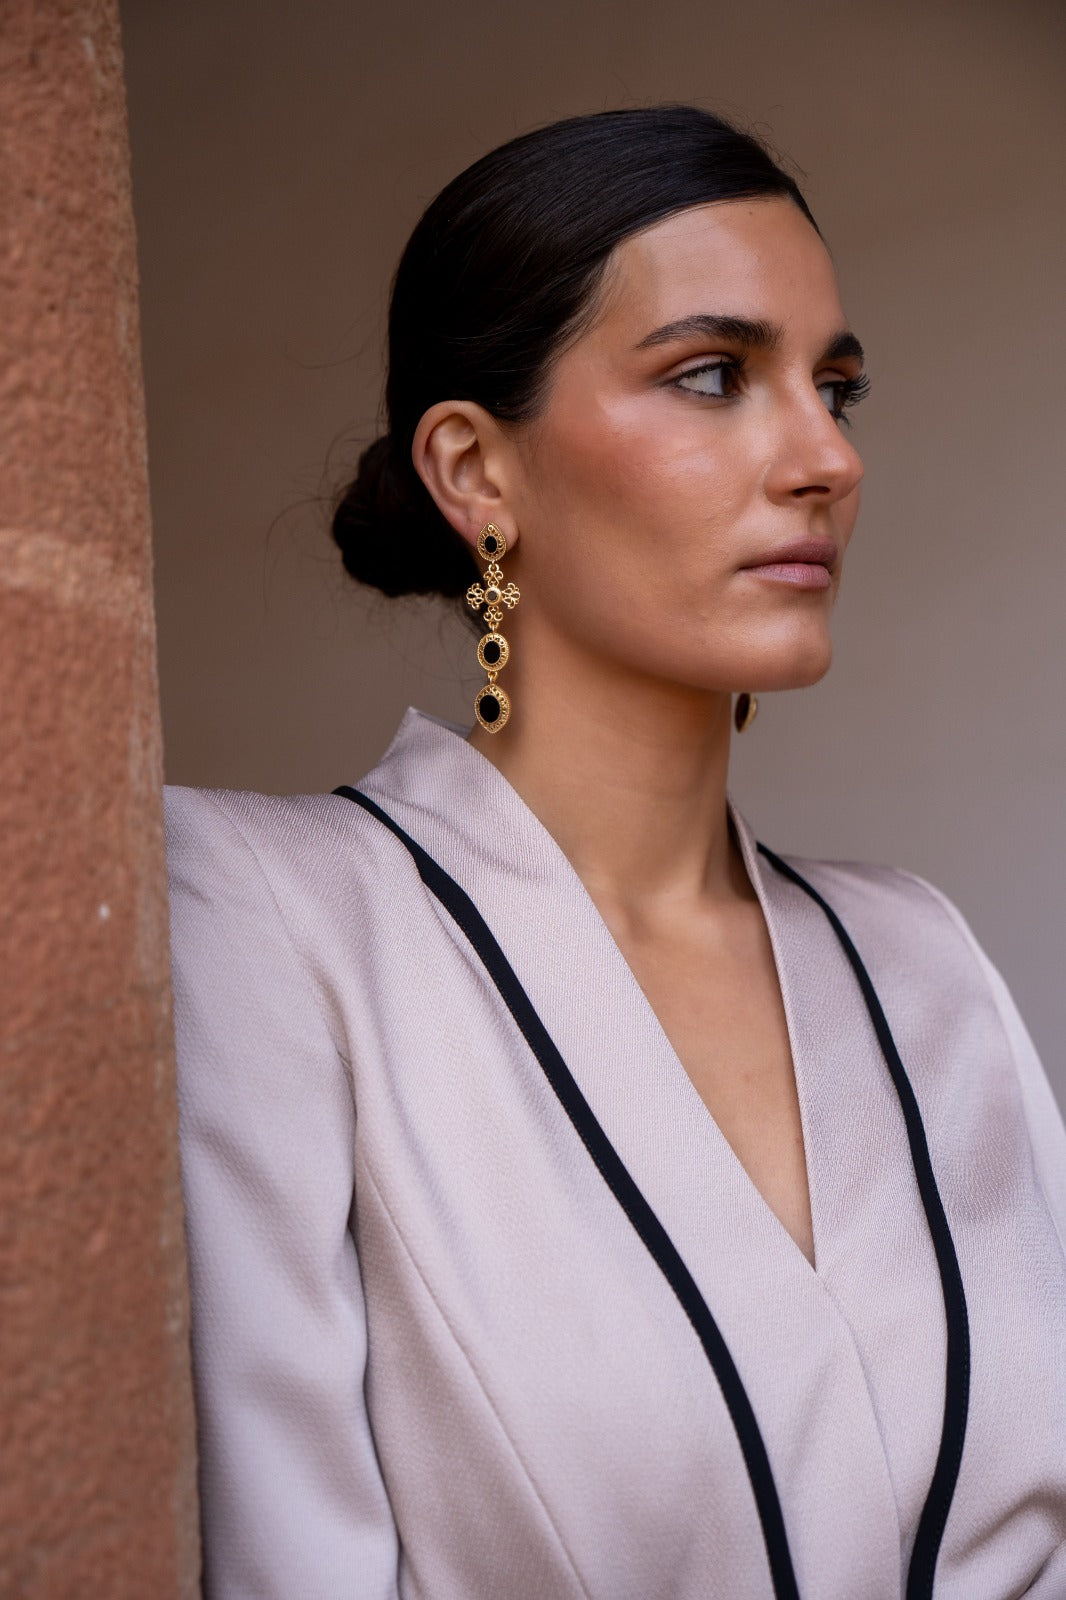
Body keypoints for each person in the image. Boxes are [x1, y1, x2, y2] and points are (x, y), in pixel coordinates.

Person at [165, 106, 1066, 1599]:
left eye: (836, 387)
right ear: (475, 470)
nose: (826, 457)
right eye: (712, 375)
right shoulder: (272, 921)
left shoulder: (923, 963)